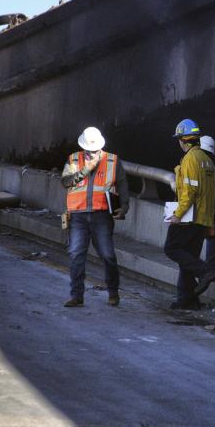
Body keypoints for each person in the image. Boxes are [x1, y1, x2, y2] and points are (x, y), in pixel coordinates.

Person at [60, 126, 129, 308]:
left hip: (101, 216)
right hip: (78, 215)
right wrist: (85, 169)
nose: (91, 154)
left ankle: (113, 292)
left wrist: (124, 207)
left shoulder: (112, 161)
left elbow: (122, 185)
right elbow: (66, 181)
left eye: (95, 150)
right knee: (76, 254)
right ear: (83, 148)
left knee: (108, 255)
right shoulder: (74, 159)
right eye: (88, 151)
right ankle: (76, 296)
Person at [163, 119, 215, 310]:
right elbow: (211, 192)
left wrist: (178, 214)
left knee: (171, 249)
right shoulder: (208, 161)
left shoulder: (190, 159)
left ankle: (204, 271)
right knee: (187, 258)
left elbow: (189, 191)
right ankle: (188, 300)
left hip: (189, 218)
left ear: (183, 140)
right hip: (203, 218)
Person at [199, 135, 215, 279]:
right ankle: (209, 271)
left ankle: (207, 271)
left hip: (188, 212)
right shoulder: (209, 166)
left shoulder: (190, 161)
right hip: (199, 213)